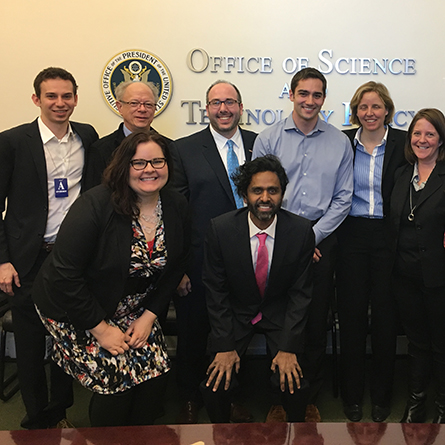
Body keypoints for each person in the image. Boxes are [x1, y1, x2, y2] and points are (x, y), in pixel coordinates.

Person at [32, 131, 190, 427]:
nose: (150, 169)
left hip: (133, 307)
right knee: (117, 382)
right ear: (123, 166)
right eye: (139, 162)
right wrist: (101, 329)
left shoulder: (175, 204)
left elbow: (176, 265)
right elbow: (64, 277)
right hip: (75, 307)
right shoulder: (95, 205)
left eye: (158, 161)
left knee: (155, 375)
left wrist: (149, 316)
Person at [252, 67, 353, 421]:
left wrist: (310, 237)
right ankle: (279, 398)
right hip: (276, 237)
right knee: (277, 319)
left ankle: (308, 396)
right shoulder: (268, 139)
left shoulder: (339, 141)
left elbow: (343, 198)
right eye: (303, 93)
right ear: (291, 95)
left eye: (317, 95)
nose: (310, 101)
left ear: (323, 98)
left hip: (320, 240)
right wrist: (292, 239)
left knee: (314, 319)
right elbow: (260, 196)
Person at [0, 67, 98, 429]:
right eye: (52, 96)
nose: (60, 103)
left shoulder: (87, 136)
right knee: (30, 343)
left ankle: (60, 411)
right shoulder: (11, 142)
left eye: (67, 96)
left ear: (75, 97)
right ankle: (36, 417)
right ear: (36, 99)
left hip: (71, 258)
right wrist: (3, 261)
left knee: (65, 340)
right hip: (27, 259)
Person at [200, 155, 314, 423]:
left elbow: (301, 294)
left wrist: (288, 347)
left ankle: (296, 434)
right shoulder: (221, 229)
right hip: (237, 312)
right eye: (257, 190)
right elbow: (215, 292)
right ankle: (222, 434)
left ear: (282, 194)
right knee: (214, 385)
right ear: (244, 194)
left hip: (279, 311)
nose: (265, 197)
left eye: (272, 190)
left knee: (296, 384)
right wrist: (224, 345)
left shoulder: (300, 230)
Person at [170, 80, 257, 423]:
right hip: (199, 260)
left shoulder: (258, 144)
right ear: (206, 108)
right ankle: (190, 396)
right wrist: (178, 268)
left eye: (231, 102)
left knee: (237, 330)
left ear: (240, 106)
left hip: (249, 257)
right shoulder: (184, 149)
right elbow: (176, 213)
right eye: (216, 103)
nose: (224, 109)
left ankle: (231, 396)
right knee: (194, 330)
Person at [336, 82, 407, 422]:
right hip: (350, 235)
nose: (369, 113)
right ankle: (351, 396)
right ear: (355, 111)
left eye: (376, 107)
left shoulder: (404, 142)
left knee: (384, 319)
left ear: (387, 110)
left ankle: (381, 397)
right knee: (350, 318)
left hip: (388, 238)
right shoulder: (342, 142)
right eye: (363, 107)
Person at [390, 108, 445, 424]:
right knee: (417, 343)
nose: (422, 140)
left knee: (441, 344)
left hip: (439, 277)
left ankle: (442, 405)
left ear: (440, 140)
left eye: (430, 134)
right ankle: (417, 400)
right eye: (417, 133)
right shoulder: (401, 175)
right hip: (405, 276)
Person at [88, 80, 171, 186]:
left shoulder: (169, 147)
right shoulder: (100, 150)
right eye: (134, 103)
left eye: (148, 104)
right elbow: (94, 194)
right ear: (119, 106)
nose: (142, 109)